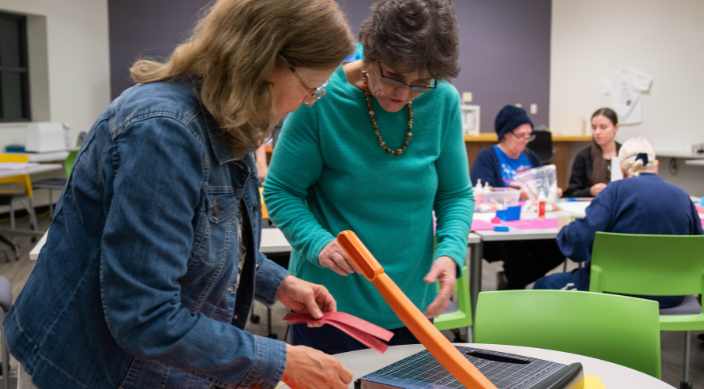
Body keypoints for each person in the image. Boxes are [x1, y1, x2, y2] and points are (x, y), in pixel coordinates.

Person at [4, 1, 356, 388]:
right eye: (311, 88)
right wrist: (280, 359)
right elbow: (144, 315)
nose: (308, 101)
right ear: (266, 62)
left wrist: (279, 283)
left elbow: (206, 243)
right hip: (90, 370)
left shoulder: (221, 121)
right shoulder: (163, 133)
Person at [263, 0, 473, 355]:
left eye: (420, 83)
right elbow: (281, 190)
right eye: (392, 75)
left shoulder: (443, 101)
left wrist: (450, 252)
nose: (403, 95)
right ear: (370, 51)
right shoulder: (321, 98)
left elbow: (455, 194)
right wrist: (317, 242)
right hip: (330, 308)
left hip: (412, 306)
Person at [534, 137, 703, 309]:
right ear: (656, 165)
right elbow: (699, 251)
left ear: (622, 168)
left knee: (543, 286)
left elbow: (579, 240)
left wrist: (565, 232)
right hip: (671, 295)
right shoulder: (683, 197)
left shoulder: (614, 193)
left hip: (614, 293)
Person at [469, 105, 565, 289]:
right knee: (518, 252)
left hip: (531, 223)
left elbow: (540, 187)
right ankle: (512, 284)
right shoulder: (488, 157)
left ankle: (511, 281)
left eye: (528, 136)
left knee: (560, 244)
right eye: (520, 135)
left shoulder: (530, 157)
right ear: (505, 134)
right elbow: (481, 194)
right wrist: (514, 194)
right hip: (502, 226)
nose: (525, 141)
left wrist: (551, 191)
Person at [563, 107, 622, 197]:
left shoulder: (625, 154)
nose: (597, 132)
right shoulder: (583, 156)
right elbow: (571, 193)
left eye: (603, 127)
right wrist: (590, 191)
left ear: (616, 128)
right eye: (594, 128)